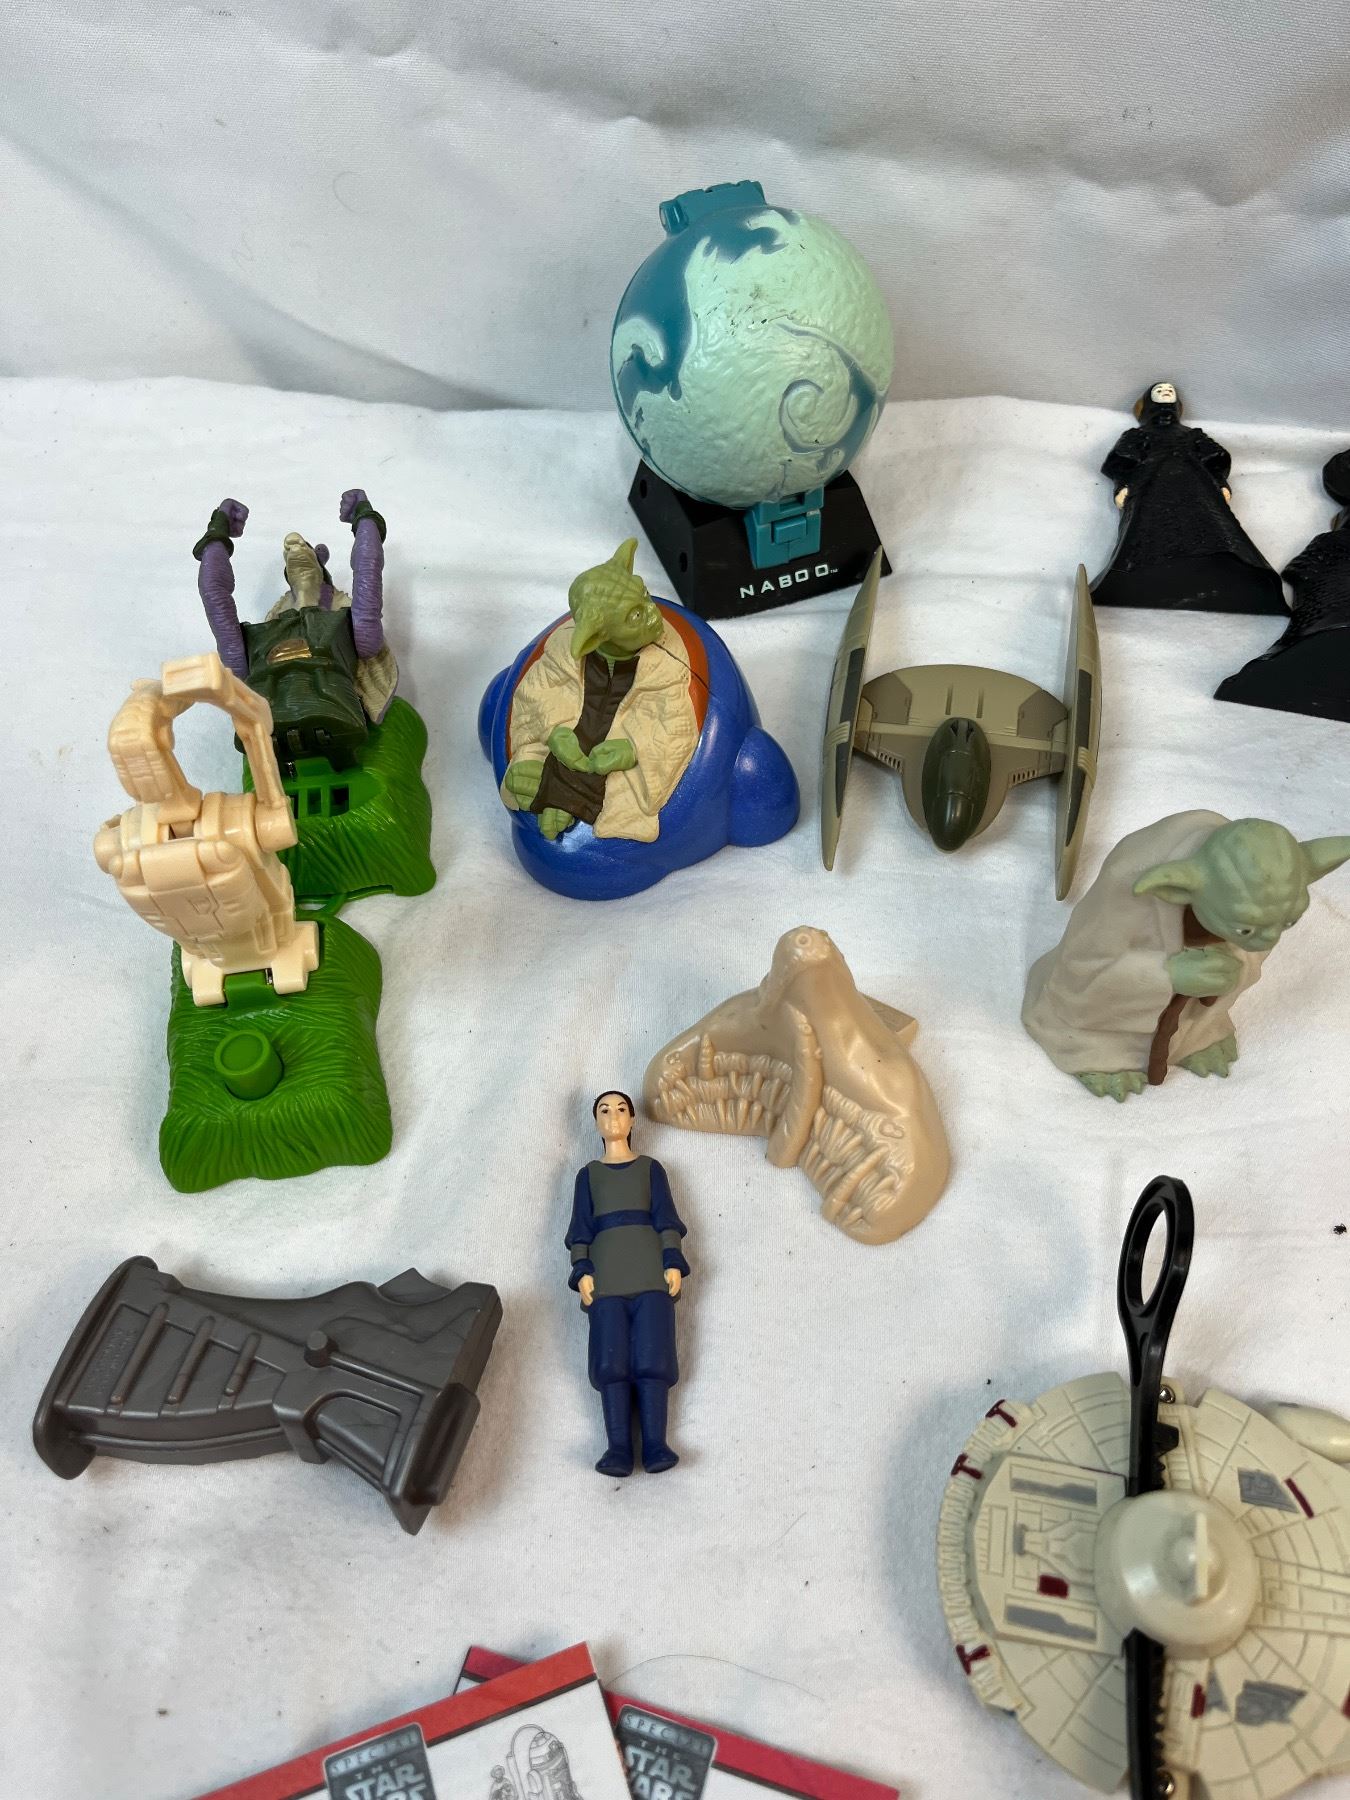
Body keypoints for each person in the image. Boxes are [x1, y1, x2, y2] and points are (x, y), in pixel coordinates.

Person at [565, 1090, 689, 1475]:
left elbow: (666, 1218)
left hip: (651, 1274)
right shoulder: (588, 1175)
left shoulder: (651, 1169)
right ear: (595, 1122)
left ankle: (655, 1444)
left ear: (633, 1119)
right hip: (606, 1278)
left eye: (621, 1109)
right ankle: (617, 1447)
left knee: (653, 1358)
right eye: (604, 1110)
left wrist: (671, 1260)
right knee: (610, 1362)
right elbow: (580, 1229)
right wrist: (582, 1269)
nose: (613, 1116)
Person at [1090, 381, 1284, 613]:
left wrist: (1220, 483)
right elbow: (1121, 462)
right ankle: (1141, 570)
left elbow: (1215, 459)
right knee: (1149, 527)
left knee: (1210, 525)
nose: (1165, 392)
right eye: (1159, 391)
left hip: (1196, 486)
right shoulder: (1138, 434)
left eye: (1169, 391)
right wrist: (1122, 485)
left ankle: (1226, 568)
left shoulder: (1193, 435)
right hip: (1152, 485)